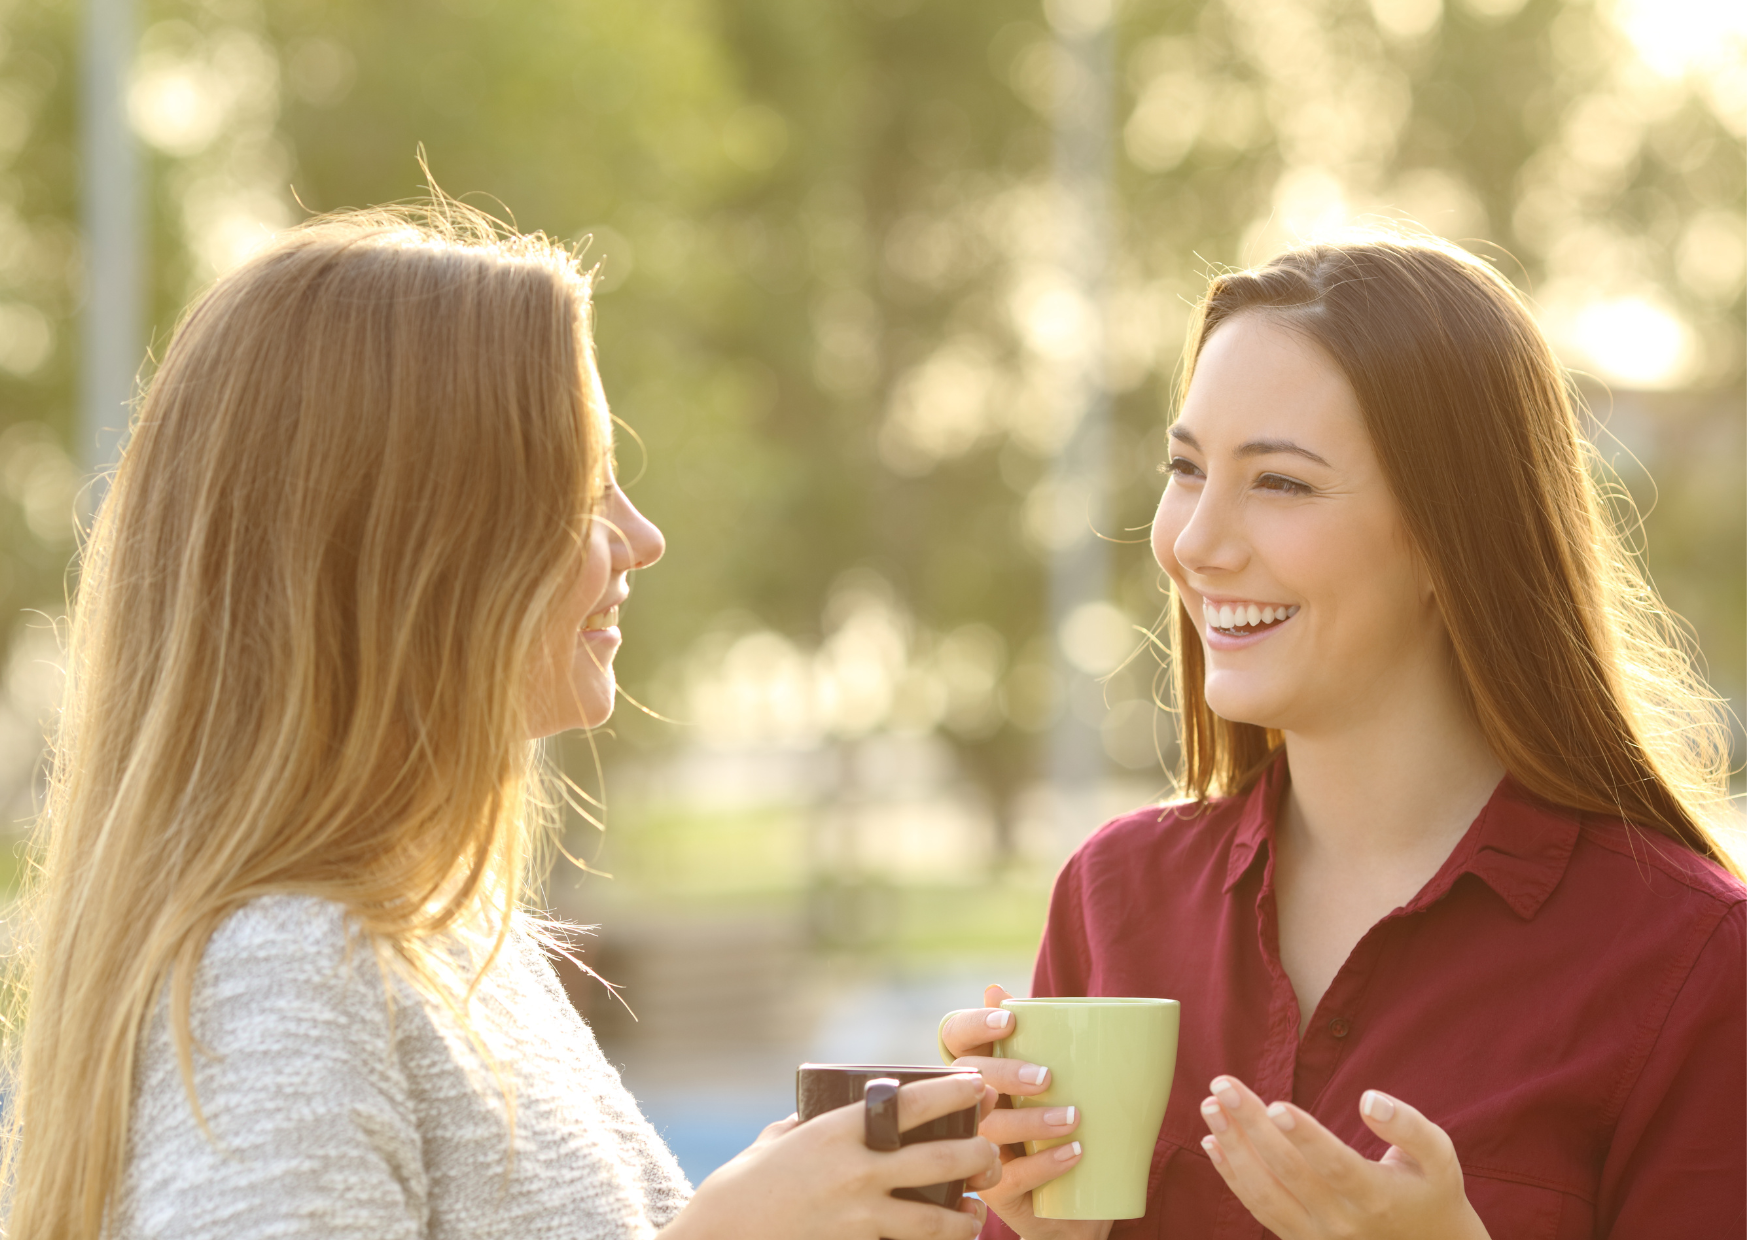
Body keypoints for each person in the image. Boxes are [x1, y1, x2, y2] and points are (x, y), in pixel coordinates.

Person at [1, 203, 1003, 1240]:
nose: (642, 536)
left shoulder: (453, 942)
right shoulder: (284, 972)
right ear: (415, 549)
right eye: (581, 487)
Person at [940, 236, 1746, 1240]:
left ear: (1450, 535)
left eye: (1277, 483)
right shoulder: (1115, 900)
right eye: (1185, 469)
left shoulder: (1693, 963)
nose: (1194, 541)